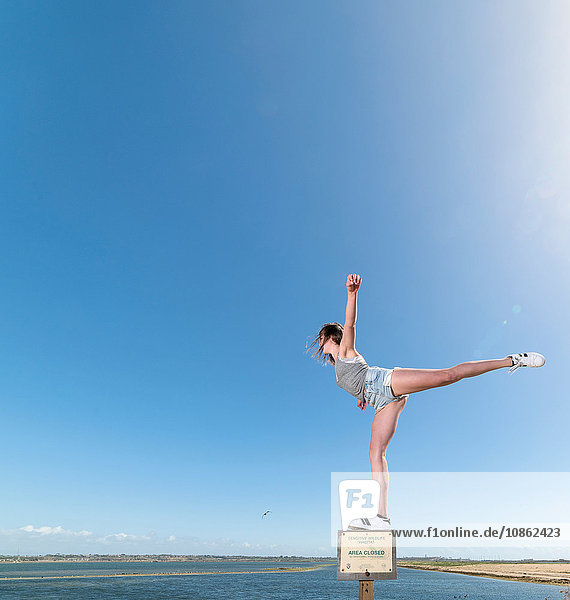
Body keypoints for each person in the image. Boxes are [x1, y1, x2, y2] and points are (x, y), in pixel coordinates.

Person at [307, 274, 545, 531]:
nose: (319, 341)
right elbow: (356, 381)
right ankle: (382, 518)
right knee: (375, 453)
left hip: (385, 382)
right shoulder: (338, 367)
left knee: (448, 376)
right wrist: (360, 398)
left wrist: (352, 294)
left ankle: (512, 359)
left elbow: (350, 325)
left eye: (321, 337)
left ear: (328, 337)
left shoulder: (344, 351)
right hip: (380, 402)